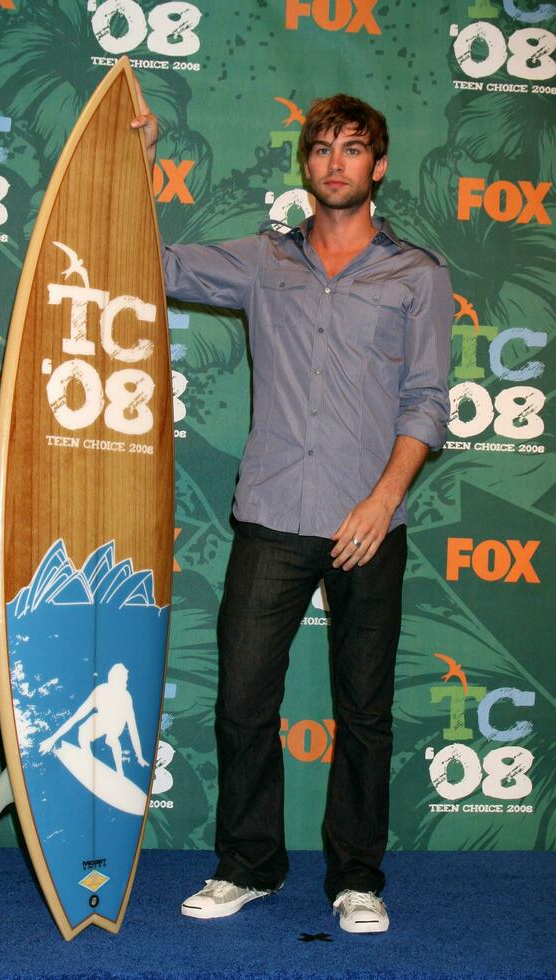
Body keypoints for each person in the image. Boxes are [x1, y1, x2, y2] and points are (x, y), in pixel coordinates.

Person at [131, 87, 453, 934]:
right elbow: (150, 259)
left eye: (353, 149)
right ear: (305, 164)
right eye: (322, 148)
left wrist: (383, 502)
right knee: (241, 700)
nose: (335, 162)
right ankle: (249, 865)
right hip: (273, 510)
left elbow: (427, 401)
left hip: (368, 522)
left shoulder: (417, 273)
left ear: (377, 167)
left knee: (365, 710)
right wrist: (139, 155)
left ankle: (357, 880)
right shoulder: (262, 261)